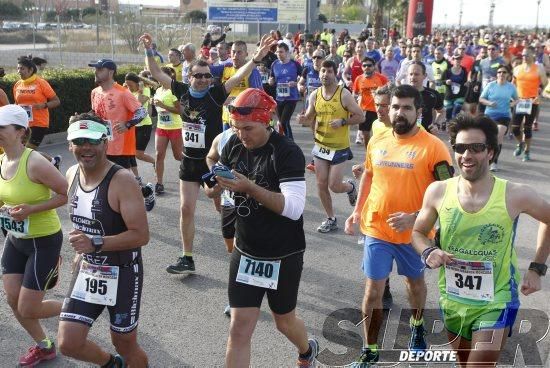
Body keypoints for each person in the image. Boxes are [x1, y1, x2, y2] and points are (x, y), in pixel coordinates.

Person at [412, 114, 550, 367]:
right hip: (452, 297)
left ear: (490, 152)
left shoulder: (515, 194)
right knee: (464, 363)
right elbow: (418, 232)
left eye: (476, 148)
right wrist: (427, 251)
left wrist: (537, 268)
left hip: (496, 300)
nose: (467, 155)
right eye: (460, 148)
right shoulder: (438, 191)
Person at [140, 32, 277, 274]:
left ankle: (243, 249)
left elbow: (238, 76)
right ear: (189, 77)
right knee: (186, 209)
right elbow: (156, 72)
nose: (204, 79)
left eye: (207, 75)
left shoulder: (216, 94)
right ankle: (187, 257)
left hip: (213, 161)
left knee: (222, 207)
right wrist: (149, 50)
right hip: (190, 163)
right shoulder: (180, 90)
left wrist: (255, 59)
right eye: (198, 76)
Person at [345, 84, 453, 367]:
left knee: (414, 284)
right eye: (395, 107)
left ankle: (417, 325)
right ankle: (369, 350)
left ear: (419, 111)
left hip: (414, 234)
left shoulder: (434, 147)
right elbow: (368, 175)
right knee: (372, 291)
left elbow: (449, 193)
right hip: (377, 228)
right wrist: (357, 212)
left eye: (406, 108)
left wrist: (416, 217)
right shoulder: (377, 139)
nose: (399, 112)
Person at [212, 87, 319, 367]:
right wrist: (213, 186)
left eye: (247, 128)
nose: (241, 135)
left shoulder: (286, 152)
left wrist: (249, 186)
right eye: (236, 128)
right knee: (238, 328)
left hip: (283, 254)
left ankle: (307, 350)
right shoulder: (234, 144)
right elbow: (218, 178)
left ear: (266, 121)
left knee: (283, 322)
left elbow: (293, 208)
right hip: (246, 251)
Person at [58, 113, 150, 368]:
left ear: (105, 142)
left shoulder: (122, 180)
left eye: (93, 140)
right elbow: (82, 223)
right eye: (79, 141)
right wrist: (81, 251)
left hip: (122, 271)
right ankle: (112, 364)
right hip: (89, 269)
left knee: (124, 342)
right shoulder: (71, 174)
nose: (86, 147)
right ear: (70, 145)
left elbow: (141, 235)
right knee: (69, 342)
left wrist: (96, 243)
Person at [0, 104, 67, 367]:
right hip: (15, 240)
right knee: (12, 299)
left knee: (28, 308)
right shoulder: (2, 160)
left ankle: (78, 306)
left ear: (20, 132)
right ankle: (45, 345)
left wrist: (32, 209)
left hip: (44, 240)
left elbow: (66, 193)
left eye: (1, 128)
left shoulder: (36, 162)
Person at [297, 60, 364, 233]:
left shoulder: (344, 95)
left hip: (339, 147)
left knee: (334, 186)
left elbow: (360, 116)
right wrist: (303, 119)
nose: (325, 74)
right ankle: (330, 218)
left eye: (329, 71)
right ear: (319, 73)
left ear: (335, 74)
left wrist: (343, 121)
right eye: (323, 71)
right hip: (321, 146)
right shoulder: (315, 95)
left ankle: (349, 187)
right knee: (321, 184)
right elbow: (310, 116)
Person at [88, 58, 155, 211]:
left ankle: (145, 192)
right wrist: (84, 117)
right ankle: (108, 208)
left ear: (110, 72)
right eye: (95, 69)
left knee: (125, 180)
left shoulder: (123, 93)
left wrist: (128, 124)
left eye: (99, 69)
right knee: (103, 178)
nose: (96, 72)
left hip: (121, 146)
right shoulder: (95, 92)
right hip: (102, 143)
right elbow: (96, 113)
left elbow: (142, 112)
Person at [13, 56, 60, 150]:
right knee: (22, 151)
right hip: (23, 123)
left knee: (28, 150)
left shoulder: (41, 83)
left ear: (30, 70)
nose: (19, 71)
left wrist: (44, 105)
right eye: (18, 68)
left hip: (39, 123)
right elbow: (16, 103)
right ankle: (53, 161)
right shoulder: (17, 84)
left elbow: (56, 101)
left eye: (22, 68)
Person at [511, 46, 548, 162]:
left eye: (526, 55)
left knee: (527, 128)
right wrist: (512, 97)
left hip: (532, 101)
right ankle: (521, 143)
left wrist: (540, 93)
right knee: (515, 128)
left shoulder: (539, 68)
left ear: (532, 55)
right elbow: (513, 83)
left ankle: (527, 151)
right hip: (519, 100)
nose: (524, 57)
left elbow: (545, 83)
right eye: (523, 55)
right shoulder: (517, 68)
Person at [479, 64, 518, 171]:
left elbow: (517, 99)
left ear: (508, 75)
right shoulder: (491, 85)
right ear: (496, 74)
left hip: (504, 115)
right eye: (499, 72)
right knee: (487, 138)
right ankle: (485, 158)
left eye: (504, 72)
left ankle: (494, 162)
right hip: (490, 114)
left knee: (499, 135)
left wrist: (513, 103)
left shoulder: (511, 87)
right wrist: (489, 103)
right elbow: (481, 99)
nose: (501, 74)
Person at [152, 66, 184, 195]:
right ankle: (159, 183)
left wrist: (163, 105)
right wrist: (155, 104)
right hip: (161, 127)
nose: (159, 77)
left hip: (175, 127)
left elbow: (179, 111)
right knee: (159, 155)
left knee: (178, 156)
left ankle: (193, 168)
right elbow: (158, 106)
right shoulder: (158, 90)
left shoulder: (174, 91)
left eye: (161, 75)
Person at [352, 56, 389, 150]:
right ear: (362, 67)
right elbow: (355, 93)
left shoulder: (381, 78)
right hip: (365, 110)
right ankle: (368, 152)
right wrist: (354, 108)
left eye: (369, 65)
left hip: (379, 109)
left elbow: (390, 89)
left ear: (374, 66)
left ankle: (381, 151)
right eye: (364, 65)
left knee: (380, 132)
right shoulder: (359, 79)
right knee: (365, 133)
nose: (367, 67)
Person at [123, 73, 156, 176]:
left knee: (139, 154)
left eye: (131, 85)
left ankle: (155, 163)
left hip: (144, 126)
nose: (129, 87)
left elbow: (137, 105)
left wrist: (140, 91)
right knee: (129, 153)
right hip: (131, 126)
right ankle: (136, 177)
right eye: (127, 85)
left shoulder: (145, 89)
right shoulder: (127, 91)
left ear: (138, 84)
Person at [269, 42, 303, 140]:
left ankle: (290, 142)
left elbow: (303, 78)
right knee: (280, 122)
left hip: (291, 97)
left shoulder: (295, 64)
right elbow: (272, 79)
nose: (279, 54)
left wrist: (296, 83)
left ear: (287, 52)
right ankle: (285, 141)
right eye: (277, 52)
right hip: (279, 98)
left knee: (284, 121)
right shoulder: (274, 64)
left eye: (281, 52)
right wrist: (271, 81)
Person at [407, 61, 445, 132]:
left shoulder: (433, 94)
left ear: (424, 76)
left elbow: (442, 112)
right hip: (406, 136)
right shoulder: (401, 94)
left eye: (416, 74)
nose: (413, 77)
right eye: (411, 74)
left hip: (426, 136)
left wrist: (436, 125)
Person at [442, 52, 468, 129]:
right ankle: (448, 124)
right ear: (453, 60)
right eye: (456, 59)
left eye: (459, 59)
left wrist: (466, 83)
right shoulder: (447, 71)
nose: (458, 61)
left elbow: (465, 81)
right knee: (448, 113)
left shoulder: (464, 70)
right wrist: (446, 81)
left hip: (460, 94)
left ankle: (453, 128)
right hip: (449, 94)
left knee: (456, 111)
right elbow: (442, 80)